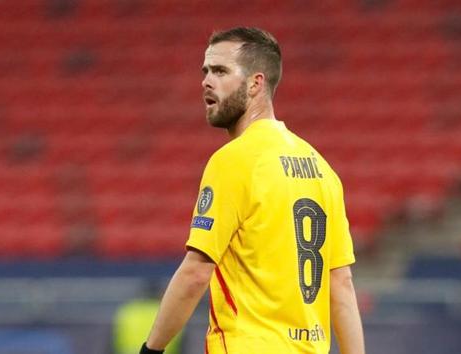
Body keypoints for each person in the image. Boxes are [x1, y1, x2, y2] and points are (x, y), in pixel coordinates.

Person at [139, 27, 365, 354]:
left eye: (220, 71)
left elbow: (196, 272)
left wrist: (152, 349)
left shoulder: (234, 160)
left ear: (255, 83)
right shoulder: (322, 169)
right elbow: (341, 285)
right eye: (205, 70)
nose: (205, 80)